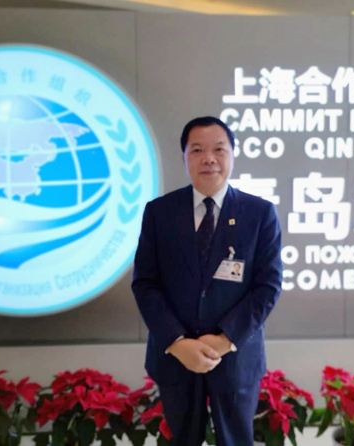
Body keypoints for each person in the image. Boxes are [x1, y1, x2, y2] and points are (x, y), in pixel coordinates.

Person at [132, 116, 283, 446]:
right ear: (184, 157)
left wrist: (225, 339)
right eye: (197, 150)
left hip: (235, 356)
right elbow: (145, 284)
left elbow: (267, 286)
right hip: (176, 356)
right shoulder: (159, 212)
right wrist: (177, 342)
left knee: (236, 440)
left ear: (232, 155)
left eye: (219, 149)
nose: (209, 159)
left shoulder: (259, 213)